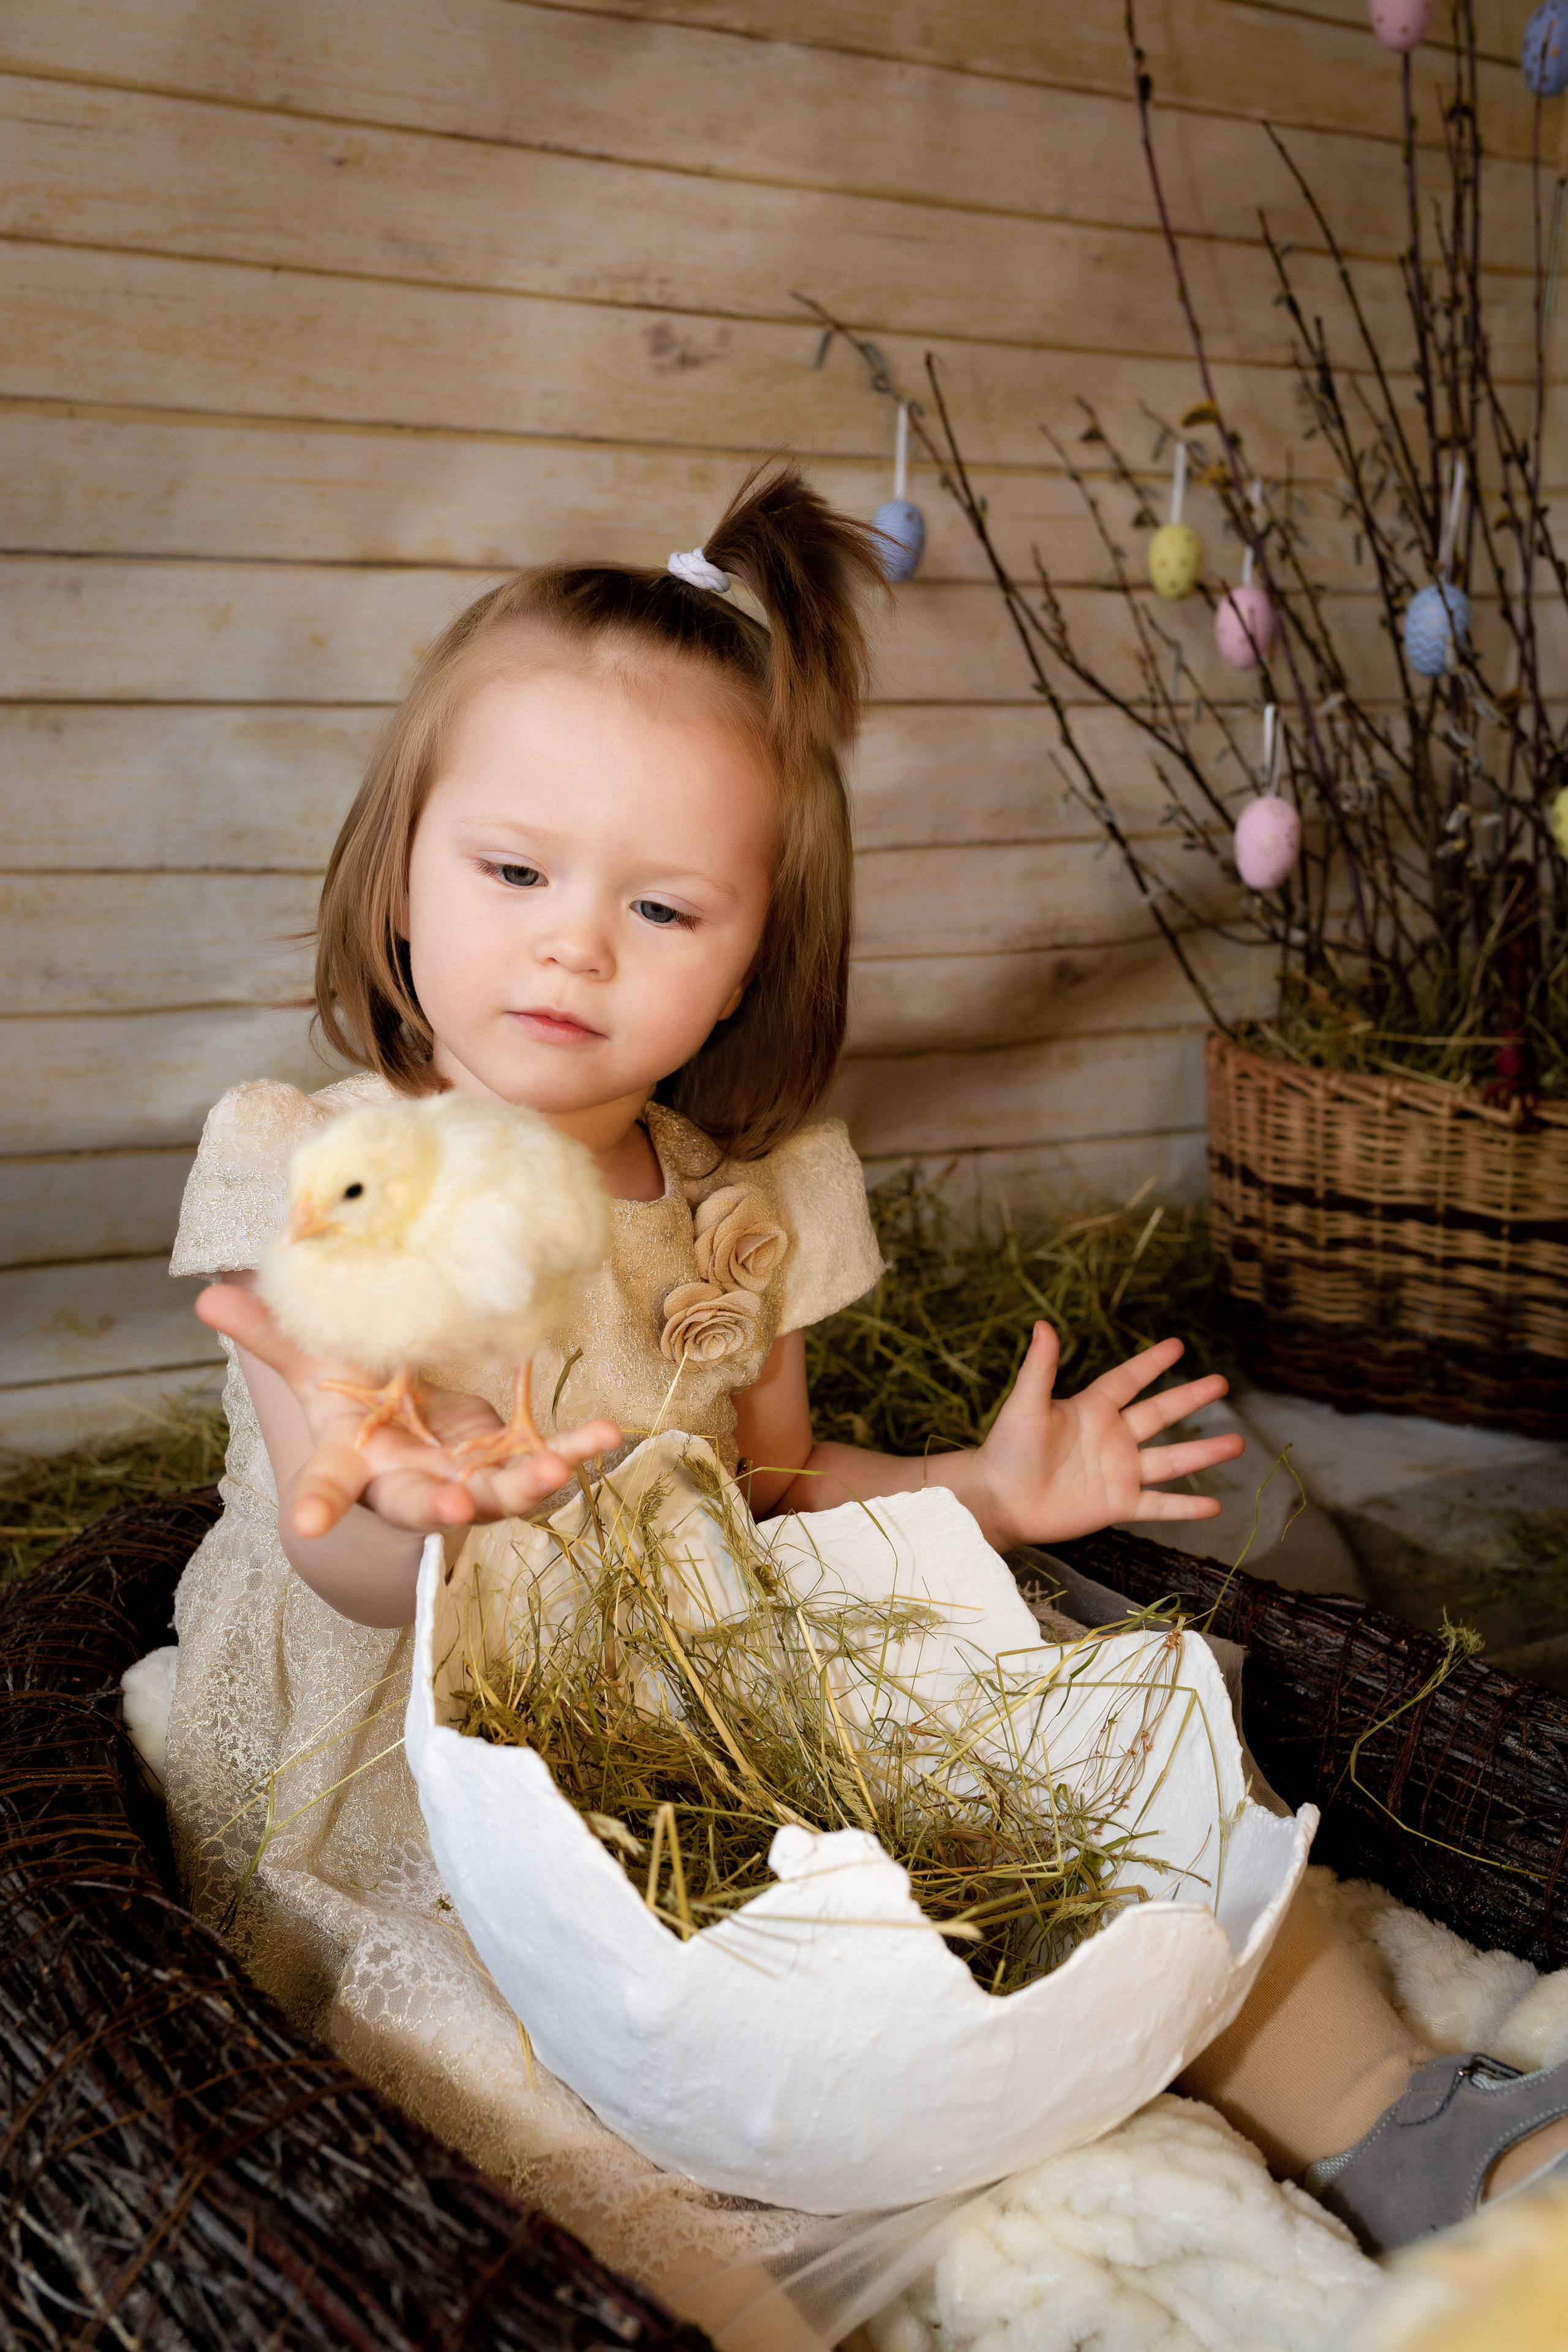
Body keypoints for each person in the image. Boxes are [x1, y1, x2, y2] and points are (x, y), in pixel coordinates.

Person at [168, 466, 1568, 2345]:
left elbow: (769, 1492)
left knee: (1102, 1772)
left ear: (752, 956)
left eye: (663, 906)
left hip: (704, 1693)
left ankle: (1395, 2126)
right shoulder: (318, 1165)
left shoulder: (740, 1207)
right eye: (513, 872)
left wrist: (981, 1493)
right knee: (534, 2065)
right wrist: (410, 1514)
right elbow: (331, 1546)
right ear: (400, 872)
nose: (575, 943)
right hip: (428, 1754)